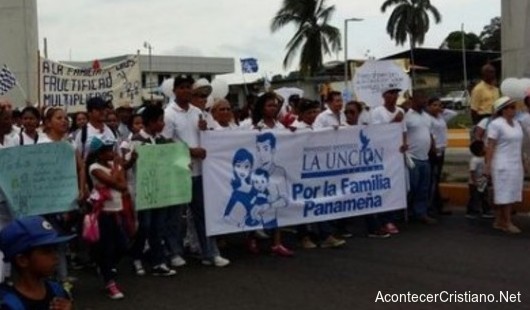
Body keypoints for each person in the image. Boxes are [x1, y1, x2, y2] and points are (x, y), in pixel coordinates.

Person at [163, 75, 230, 267]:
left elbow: (208, 135)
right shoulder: (168, 113)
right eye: (181, 87)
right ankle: (175, 252)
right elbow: (166, 142)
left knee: (203, 214)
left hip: (201, 172)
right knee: (176, 216)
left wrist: (204, 130)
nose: (185, 91)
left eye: (188, 87)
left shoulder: (197, 112)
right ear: (174, 90)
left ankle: (210, 253)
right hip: (179, 171)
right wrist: (190, 151)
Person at [128, 105, 177, 277]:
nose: (163, 124)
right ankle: (136, 257)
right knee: (145, 225)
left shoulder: (163, 140)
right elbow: (126, 165)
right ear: (151, 122)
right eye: (160, 120)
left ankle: (159, 261)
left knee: (158, 226)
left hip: (160, 189)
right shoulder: (137, 139)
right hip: (144, 190)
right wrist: (132, 158)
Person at [86, 137, 129, 299]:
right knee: (107, 248)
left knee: (122, 246)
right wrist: (118, 168)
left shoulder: (112, 166)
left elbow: (123, 185)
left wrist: (117, 172)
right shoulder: (94, 168)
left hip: (116, 211)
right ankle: (109, 282)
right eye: (108, 151)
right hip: (102, 214)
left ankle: (105, 267)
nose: (112, 153)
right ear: (100, 154)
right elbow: (115, 183)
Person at [0, 216, 73, 310]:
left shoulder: (57, 291)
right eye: (46, 251)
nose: (55, 256)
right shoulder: (8, 305)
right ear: (22, 260)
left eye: (54, 249)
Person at [370, 84, 407, 232]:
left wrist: (404, 143)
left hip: (396, 154)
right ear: (384, 95)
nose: (394, 96)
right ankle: (383, 219)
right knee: (383, 185)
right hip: (383, 155)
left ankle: (392, 216)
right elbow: (377, 133)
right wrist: (394, 121)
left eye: (396, 93)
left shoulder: (401, 111)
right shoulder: (377, 112)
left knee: (395, 185)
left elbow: (403, 130)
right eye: (391, 93)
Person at [485, 97, 524, 234]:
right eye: (511, 107)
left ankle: (499, 221)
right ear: (503, 110)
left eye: (514, 107)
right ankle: (507, 222)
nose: (514, 110)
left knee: (511, 191)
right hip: (502, 163)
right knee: (504, 192)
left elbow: (519, 145)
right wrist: (488, 165)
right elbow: (490, 146)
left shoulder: (517, 124)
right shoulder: (496, 124)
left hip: (515, 163)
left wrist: (523, 160)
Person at [405, 92, 437, 224]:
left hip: (425, 157)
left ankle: (420, 213)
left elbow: (429, 133)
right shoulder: (407, 117)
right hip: (412, 158)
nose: (424, 101)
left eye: (425, 98)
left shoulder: (427, 117)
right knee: (411, 187)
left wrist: (433, 147)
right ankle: (406, 212)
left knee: (424, 188)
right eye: (421, 98)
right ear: (413, 100)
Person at [426, 98, 457, 215]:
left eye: (439, 105)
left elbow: (454, 113)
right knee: (432, 179)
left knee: (436, 179)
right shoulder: (427, 119)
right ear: (428, 107)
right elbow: (429, 134)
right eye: (434, 105)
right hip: (433, 150)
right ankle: (432, 206)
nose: (437, 107)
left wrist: (441, 110)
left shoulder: (441, 117)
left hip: (442, 149)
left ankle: (436, 205)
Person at [466, 140, 492, 219]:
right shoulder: (475, 160)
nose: (486, 148)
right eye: (484, 147)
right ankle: (471, 212)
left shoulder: (484, 158)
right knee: (474, 197)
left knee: (484, 196)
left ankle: (485, 211)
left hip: (482, 181)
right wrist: (474, 182)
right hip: (475, 183)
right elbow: (472, 172)